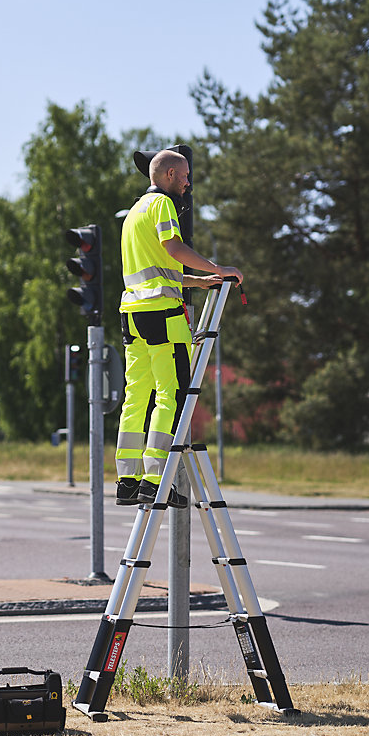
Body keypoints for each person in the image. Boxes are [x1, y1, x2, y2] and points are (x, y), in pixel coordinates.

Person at [115, 150, 242, 508]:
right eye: (185, 176)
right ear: (170, 174)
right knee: (172, 394)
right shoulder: (162, 206)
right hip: (163, 314)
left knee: (137, 395)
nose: (188, 183)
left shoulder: (133, 213)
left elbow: (155, 269)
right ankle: (155, 481)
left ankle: (127, 479)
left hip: (132, 313)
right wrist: (219, 267)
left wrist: (199, 282)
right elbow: (173, 248)